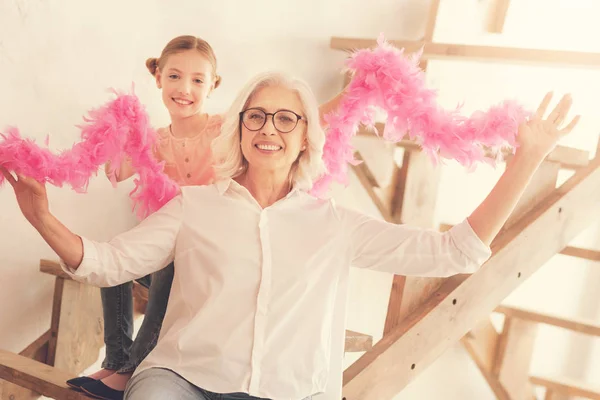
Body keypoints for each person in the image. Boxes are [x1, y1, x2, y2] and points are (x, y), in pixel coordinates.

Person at [1, 71, 578, 400]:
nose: (268, 128)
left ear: (307, 138)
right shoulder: (194, 207)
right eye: (256, 115)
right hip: (182, 381)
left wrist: (525, 160)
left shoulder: (334, 224)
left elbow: (458, 251)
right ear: (240, 129)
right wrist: (40, 219)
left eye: (286, 118)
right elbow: (107, 264)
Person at [57, 35, 349, 400]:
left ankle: (134, 366)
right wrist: (114, 131)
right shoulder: (156, 140)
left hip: (209, 258)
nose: (185, 88)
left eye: (198, 80)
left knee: (173, 264)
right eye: (175, 77)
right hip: (164, 249)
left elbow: (310, 116)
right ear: (158, 78)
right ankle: (116, 359)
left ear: (213, 86)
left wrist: (357, 92)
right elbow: (115, 171)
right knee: (113, 259)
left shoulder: (224, 128)